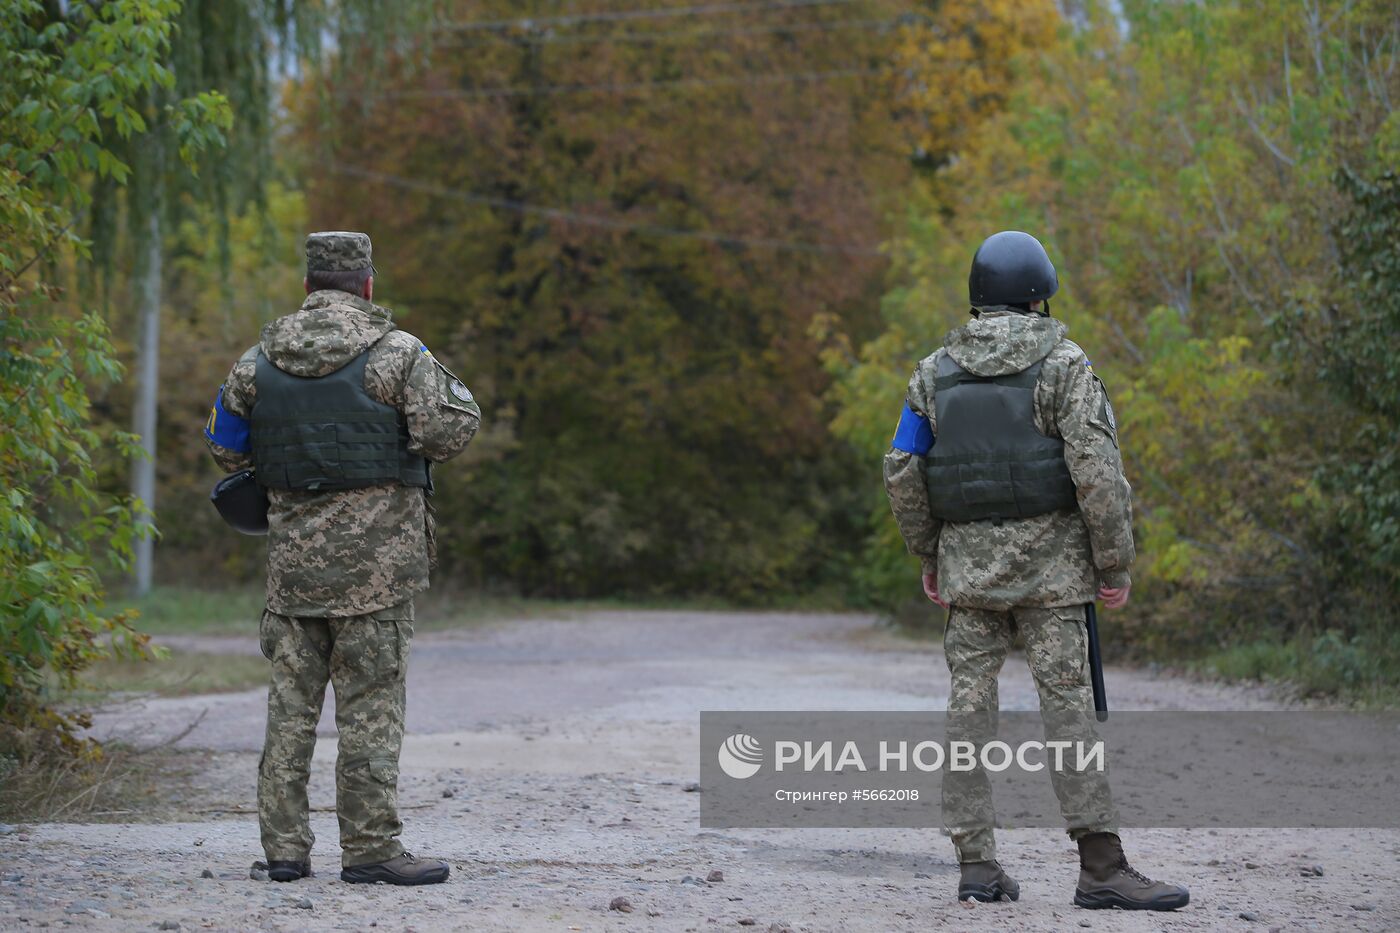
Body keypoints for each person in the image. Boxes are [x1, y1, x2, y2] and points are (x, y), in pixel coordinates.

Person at [883, 230, 1188, 911]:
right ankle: (1101, 866)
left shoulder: (932, 372)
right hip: (1054, 575)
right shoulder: (1065, 364)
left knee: (969, 709)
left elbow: (903, 467)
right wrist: (1114, 560)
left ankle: (977, 865)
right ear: (1038, 295)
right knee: (1069, 710)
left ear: (978, 296)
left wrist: (930, 552)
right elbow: (1098, 470)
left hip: (968, 574)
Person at [205, 231, 480, 885]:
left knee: (289, 710)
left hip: (293, 573)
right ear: (367, 286)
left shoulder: (256, 363)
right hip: (378, 576)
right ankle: (370, 849)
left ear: (308, 287)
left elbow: (224, 447)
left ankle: (284, 851)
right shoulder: (399, 354)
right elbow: (449, 431)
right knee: (370, 711)